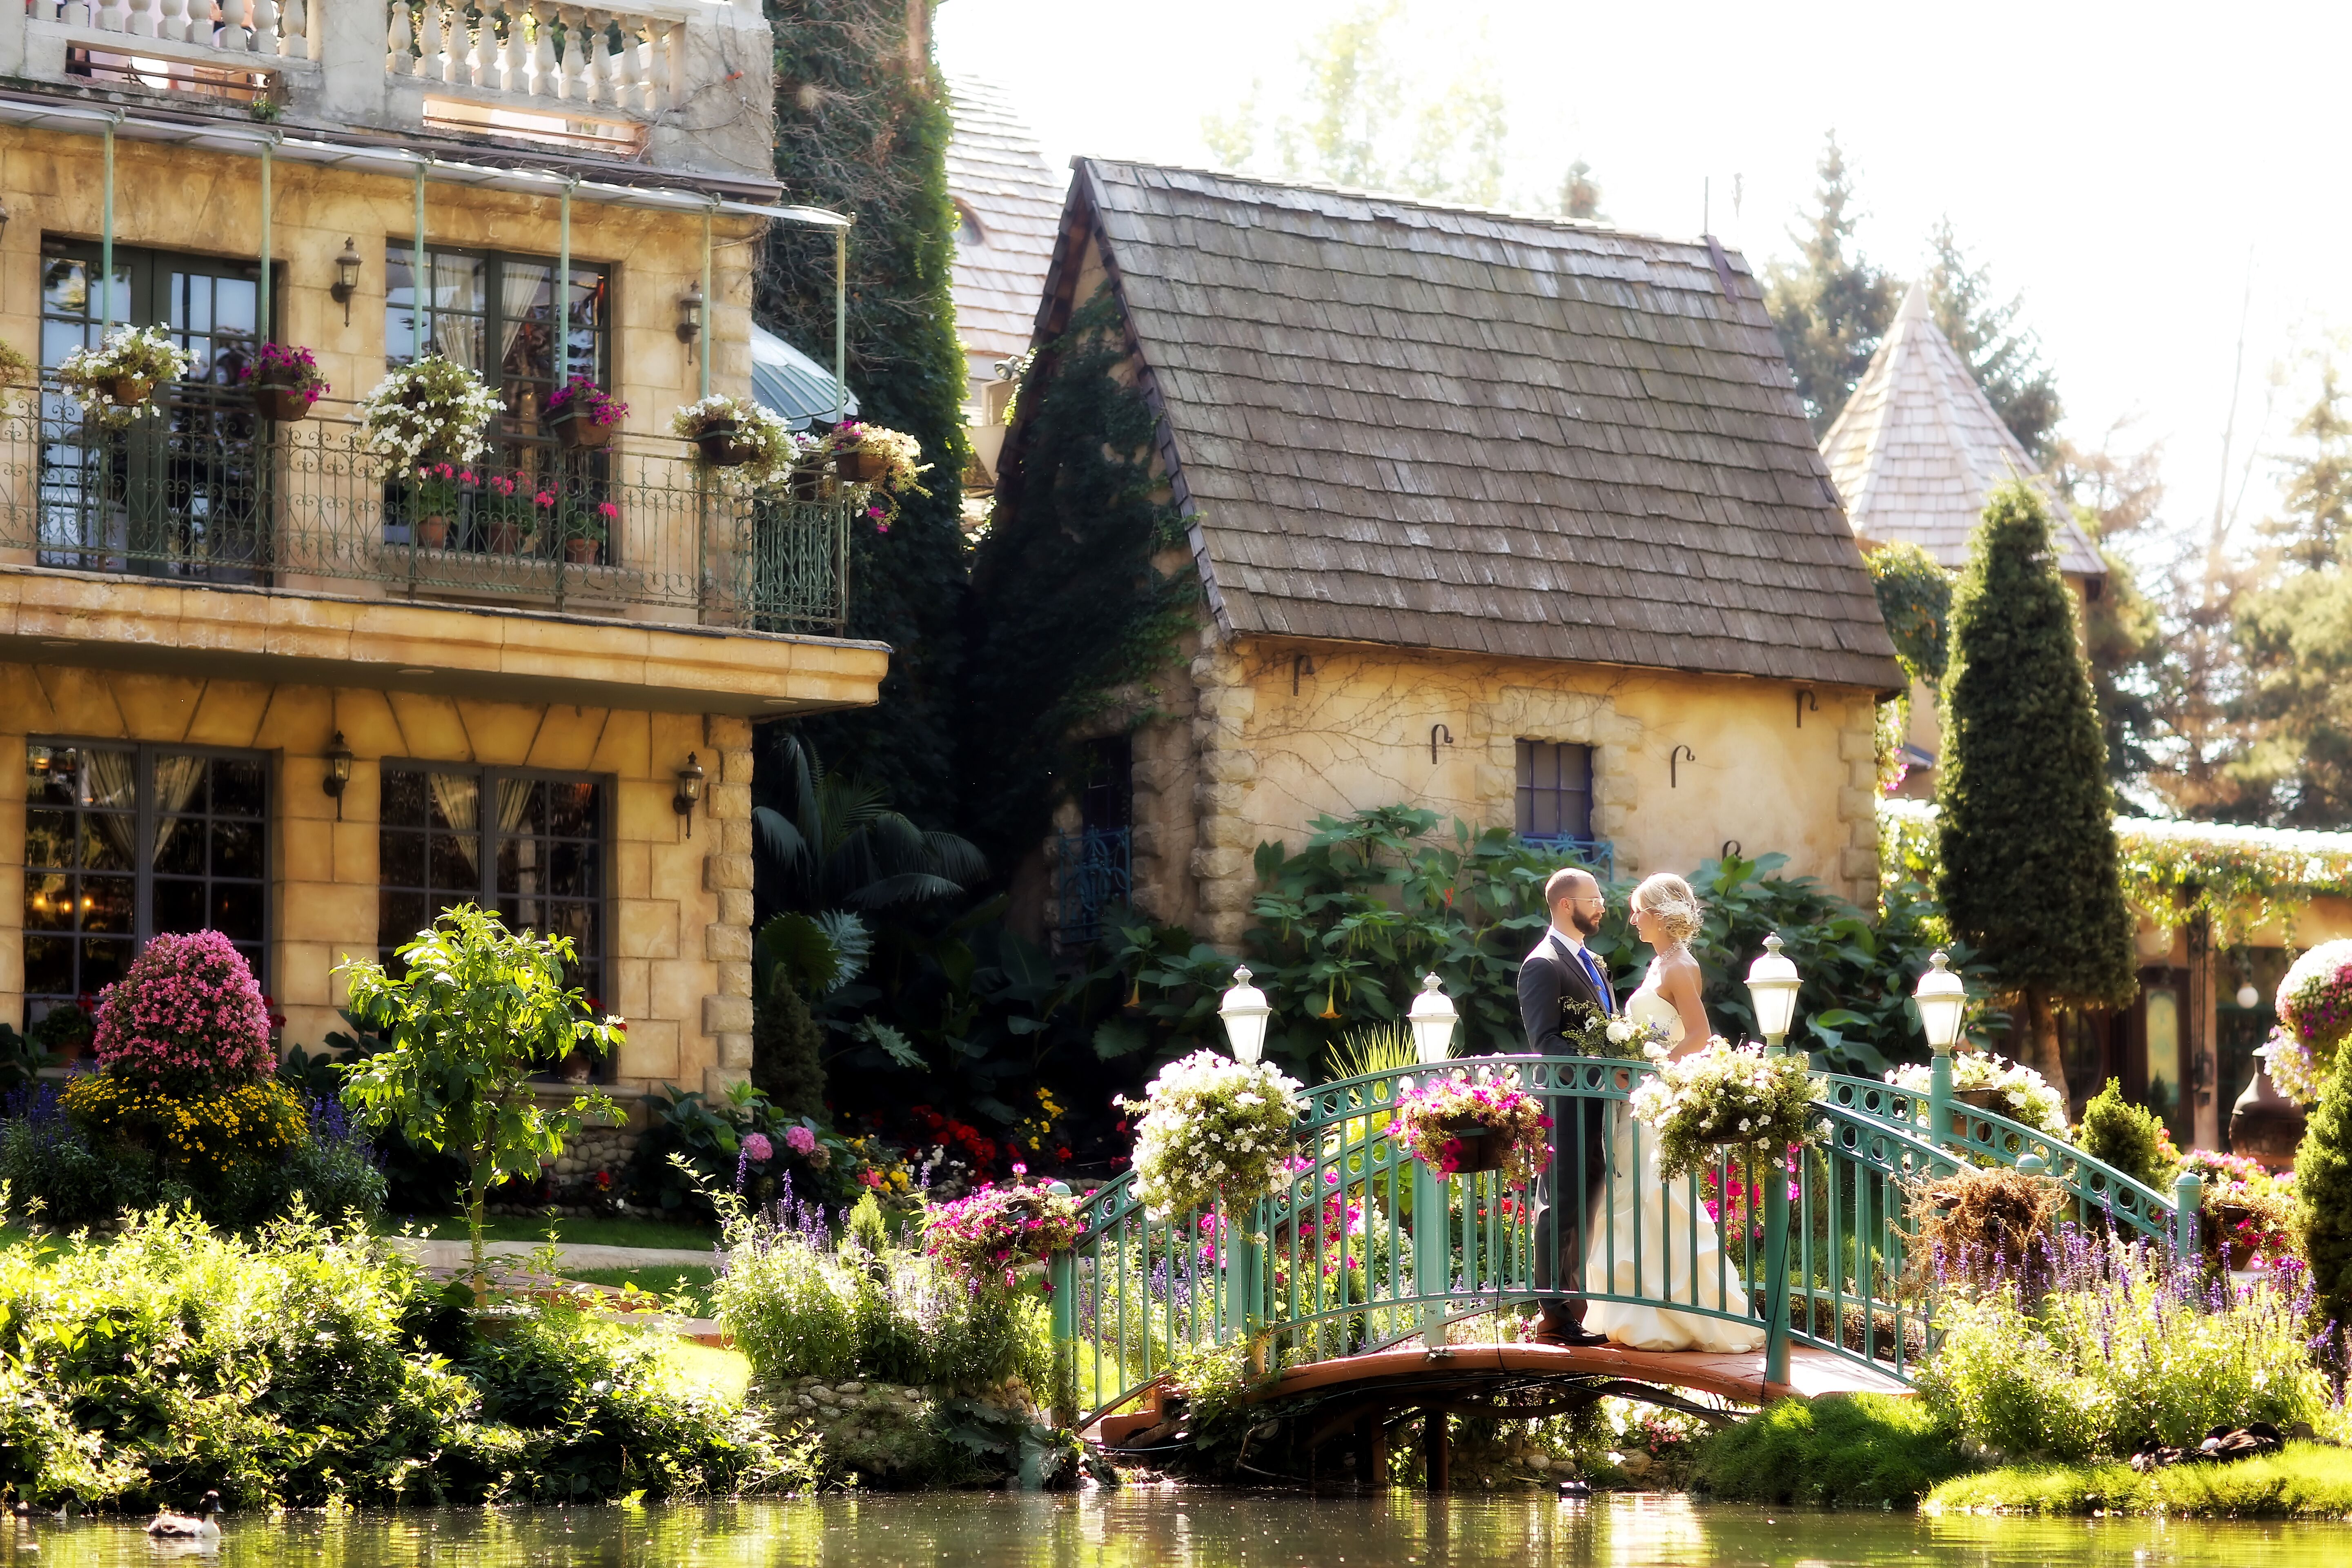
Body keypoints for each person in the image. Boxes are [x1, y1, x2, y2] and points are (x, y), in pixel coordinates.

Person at [1581, 873, 1766, 1353]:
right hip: (1640, 1102)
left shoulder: (1680, 966)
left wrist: (1653, 1070)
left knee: (1658, 1199)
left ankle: (1679, 1315)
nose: (1633, 918)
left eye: (1639, 909)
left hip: (1656, 1102)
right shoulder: (1660, 964)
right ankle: (1639, 1309)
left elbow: (1701, 1036)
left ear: (1661, 914)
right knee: (1630, 1199)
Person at [1516, 865, 1616, 1348]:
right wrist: (1602, 1061)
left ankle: (1577, 1305)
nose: (1601, 907)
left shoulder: (1592, 960)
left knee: (1587, 1200)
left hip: (1596, 1104)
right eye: (1593, 899)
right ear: (1565, 905)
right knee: (1560, 1204)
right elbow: (1546, 1042)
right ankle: (1553, 1314)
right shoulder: (1543, 964)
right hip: (1567, 1103)